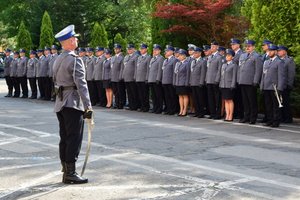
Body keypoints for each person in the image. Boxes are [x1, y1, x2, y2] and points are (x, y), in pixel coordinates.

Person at [53, 24, 93, 184]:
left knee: (64, 137)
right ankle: (70, 173)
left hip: (60, 102)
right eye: (74, 38)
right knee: (74, 138)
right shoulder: (75, 60)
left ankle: (65, 169)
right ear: (70, 41)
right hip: (72, 103)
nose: (76, 40)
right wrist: (88, 106)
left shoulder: (58, 58)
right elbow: (81, 84)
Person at [238, 39, 263, 124]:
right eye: (246, 46)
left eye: (249, 46)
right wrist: (239, 79)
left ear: (253, 47)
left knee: (252, 101)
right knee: (245, 101)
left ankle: (253, 118)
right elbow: (240, 69)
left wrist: (255, 81)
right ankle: (246, 116)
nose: (247, 48)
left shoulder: (257, 56)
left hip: (251, 82)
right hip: (243, 81)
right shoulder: (243, 56)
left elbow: (258, 70)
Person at [260, 44, 285, 127]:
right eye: (268, 51)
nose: (269, 52)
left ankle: (276, 121)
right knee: (268, 105)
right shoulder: (266, 62)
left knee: (275, 105)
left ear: (275, 51)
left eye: (271, 51)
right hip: (266, 86)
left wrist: (280, 87)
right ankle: (270, 120)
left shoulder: (279, 62)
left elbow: (281, 76)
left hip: (275, 87)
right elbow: (263, 75)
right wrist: (262, 86)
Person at [216, 49, 238, 121]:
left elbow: (234, 76)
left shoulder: (234, 65)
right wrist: (220, 84)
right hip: (223, 85)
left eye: (229, 55)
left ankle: (230, 115)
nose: (227, 57)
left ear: (232, 57)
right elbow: (221, 75)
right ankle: (227, 115)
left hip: (229, 85)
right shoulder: (224, 65)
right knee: (225, 100)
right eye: (226, 55)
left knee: (230, 100)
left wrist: (233, 85)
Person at [277, 45, 295, 123]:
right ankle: (281, 117)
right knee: (279, 102)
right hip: (278, 84)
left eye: (280, 51)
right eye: (278, 51)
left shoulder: (289, 60)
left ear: (284, 51)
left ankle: (288, 118)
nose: (278, 52)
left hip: (285, 85)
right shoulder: (277, 60)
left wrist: (289, 84)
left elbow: (291, 74)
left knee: (285, 102)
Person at [205, 41, 223, 119]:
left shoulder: (219, 57)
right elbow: (208, 69)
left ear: (217, 47)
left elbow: (219, 69)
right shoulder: (210, 57)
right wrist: (206, 79)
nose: (211, 48)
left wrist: (217, 79)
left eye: (213, 46)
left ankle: (218, 114)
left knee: (217, 98)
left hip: (215, 80)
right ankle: (212, 113)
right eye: (211, 46)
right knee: (210, 98)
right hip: (209, 80)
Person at [189, 47, 207, 118]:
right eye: (194, 53)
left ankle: (201, 112)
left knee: (200, 98)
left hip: (199, 82)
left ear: (200, 53)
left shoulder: (203, 61)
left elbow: (203, 73)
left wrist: (201, 82)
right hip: (193, 82)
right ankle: (197, 112)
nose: (194, 54)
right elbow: (191, 72)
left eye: (196, 53)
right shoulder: (193, 61)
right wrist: (190, 81)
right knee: (195, 98)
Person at [121, 44, 139, 111]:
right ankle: (131, 105)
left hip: (132, 77)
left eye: (130, 49)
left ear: (134, 49)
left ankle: (135, 105)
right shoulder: (126, 57)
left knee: (134, 92)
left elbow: (136, 67)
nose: (129, 50)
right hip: (126, 77)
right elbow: (124, 67)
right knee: (129, 93)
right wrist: (123, 75)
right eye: (128, 49)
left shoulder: (136, 56)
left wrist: (135, 76)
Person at [161, 45, 178, 115]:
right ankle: (168, 109)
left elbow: (175, 72)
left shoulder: (174, 60)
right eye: (166, 51)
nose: (166, 52)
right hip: (165, 81)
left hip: (171, 81)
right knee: (167, 96)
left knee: (172, 96)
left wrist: (174, 81)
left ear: (172, 52)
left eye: (167, 51)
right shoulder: (165, 60)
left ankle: (173, 109)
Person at [148, 44, 164, 114]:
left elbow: (160, 70)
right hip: (151, 79)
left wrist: (158, 78)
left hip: (156, 79)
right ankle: (155, 107)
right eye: (154, 50)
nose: (154, 51)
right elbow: (150, 69)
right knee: (153, 95)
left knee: (158, 95)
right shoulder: (152, 58)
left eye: (156, 50)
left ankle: (159, 108)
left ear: (159, 51)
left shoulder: (161, 58)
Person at [134, 43, 151, 112]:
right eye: (140, 49)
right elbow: (136, 68)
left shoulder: (148, 57)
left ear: (146, 49)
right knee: (140, 94)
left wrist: (147, 78)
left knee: (145, 94)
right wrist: (135, 76)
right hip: (138, 78)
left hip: (144, 79)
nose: (141, 50)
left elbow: (148, 69)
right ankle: (142, 106)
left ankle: (146, 107)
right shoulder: (139, 57)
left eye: (142, 48)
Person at [174, 49, 190, 116]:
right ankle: (181, 110)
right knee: (180, 96)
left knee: (185, 96)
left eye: (181, 55)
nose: (179, 56)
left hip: (184, 82)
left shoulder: (187, 63)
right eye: (179, 55)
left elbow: (188, 74)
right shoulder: (178, 64)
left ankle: (185, 110)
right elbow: (176, 74)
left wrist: (186, 83)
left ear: (184, 56)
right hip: (178, 82)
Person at [230, 38, 244, 120]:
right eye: (231, 44)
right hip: (231, 78)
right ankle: (235, 113)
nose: (232, 46)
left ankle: (240, 113)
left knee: (239, 97)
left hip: (238, 77)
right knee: (234, 97)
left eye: (234, 44)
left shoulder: (241, 54)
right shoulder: (232, 53)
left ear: (238, 45)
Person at [111, 44, 125, 109]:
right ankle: (116, 103)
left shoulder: (122, 57)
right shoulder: (113, 57)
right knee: (115, 92)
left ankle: (121, 104)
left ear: (120, 49)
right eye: (115, 49)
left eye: (117, 49)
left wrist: (121, 76)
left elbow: (122, 68)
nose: (116, 50)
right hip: (113, 77)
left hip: (118, 77)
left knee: (120, 91)